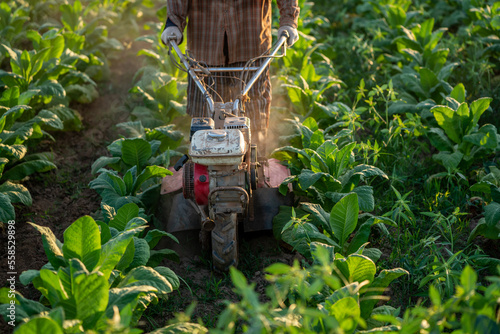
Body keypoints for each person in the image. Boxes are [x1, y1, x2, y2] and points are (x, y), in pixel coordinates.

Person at [161, 1, 299, 158]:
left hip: (250, 45)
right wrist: (173, 23)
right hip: (205, 47)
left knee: (253, 114)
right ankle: (203, 162)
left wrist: (288, 21)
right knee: (205, 116)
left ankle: (256, 163)